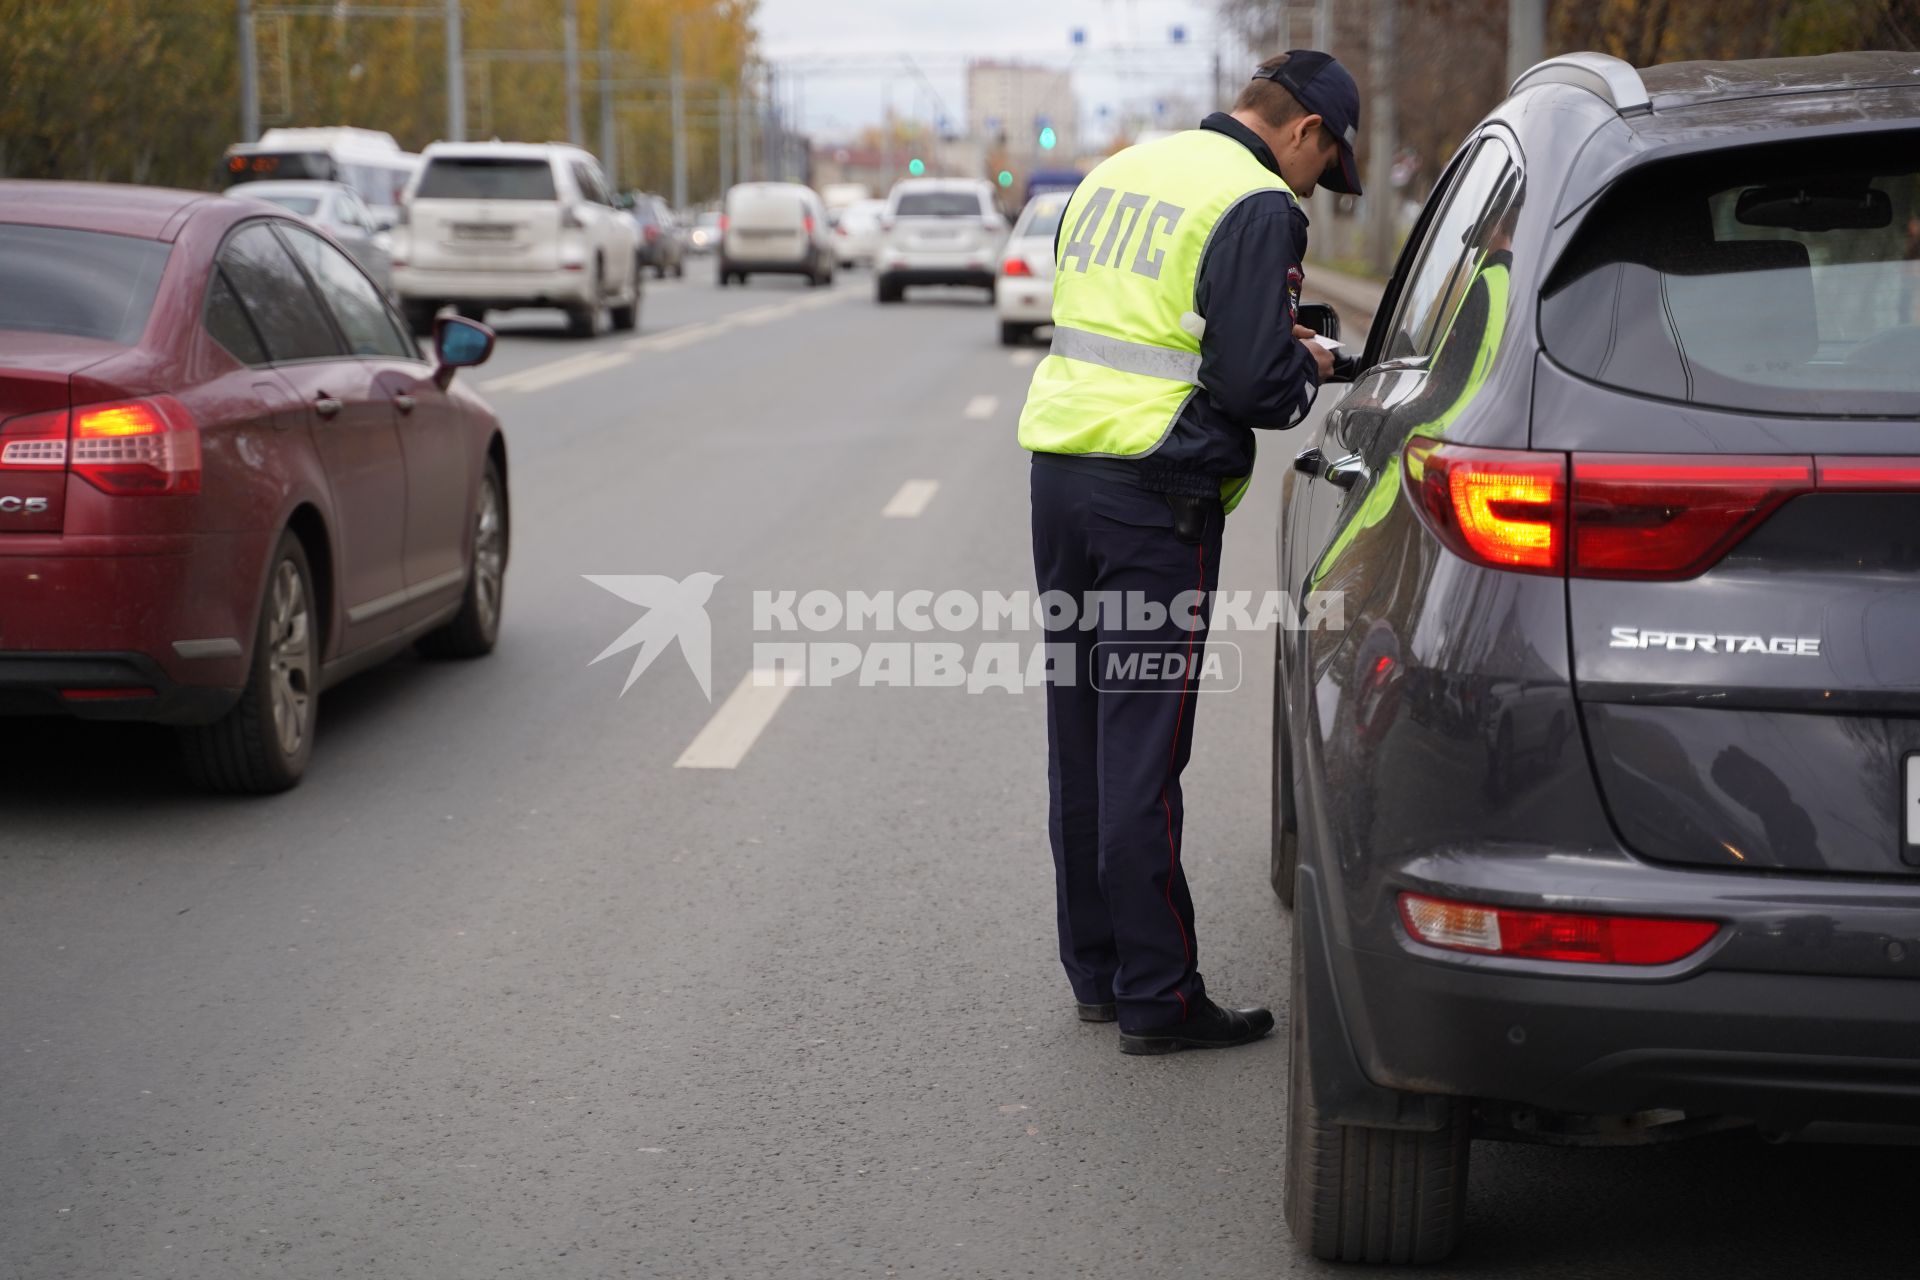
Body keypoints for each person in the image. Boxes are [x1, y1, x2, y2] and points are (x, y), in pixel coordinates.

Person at [1017, 51, 1364, 1055]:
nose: (1316, 185)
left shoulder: (1121, 170)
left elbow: (1148, 320)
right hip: (1155, 495)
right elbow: (1255, 387)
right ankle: (1161, 997)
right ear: (1303, 131)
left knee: (1079, 735)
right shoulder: (1259, 202)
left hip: (1062, 472)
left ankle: (1099, 971)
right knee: (1143, 750)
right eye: (1325, 163)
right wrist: (1304, 370)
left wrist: (1263, 341)